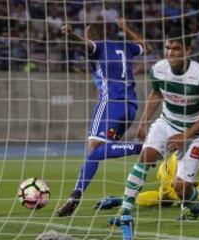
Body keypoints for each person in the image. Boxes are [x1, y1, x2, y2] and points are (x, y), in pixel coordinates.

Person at [110, 27, 199, 229]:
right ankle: (125, 209)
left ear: (187, 50)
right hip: (167, 122)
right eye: (167, 48)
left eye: (176, 48)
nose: (170, 52)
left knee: (180, 188)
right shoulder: (158, 69)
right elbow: (156, 93)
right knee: (146, 155)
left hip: (195, 133)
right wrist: (143, 121)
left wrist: (185, 136)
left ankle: (195, 204)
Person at [56, 18, 152, 217]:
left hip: (110, 103)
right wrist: (126, 28)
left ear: (92, 35)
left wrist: (71, 33)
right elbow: (147, 48)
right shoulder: (125, 46)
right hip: (130, 107)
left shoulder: (97, 47)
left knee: (94, 150)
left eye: (87, 32)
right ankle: (75, 194)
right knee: (96, 149)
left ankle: (140, 147)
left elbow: (82, 44)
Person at [94, 116, 199, 210]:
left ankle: (117, 200)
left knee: (164, 201)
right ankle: (188, 207)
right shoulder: (195, 136)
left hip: (178, 176)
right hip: (171, 173)